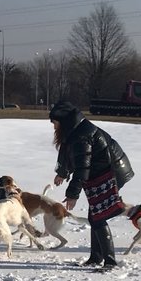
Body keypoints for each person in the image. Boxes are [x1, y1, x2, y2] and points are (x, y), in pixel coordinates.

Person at [49, 101, 134, 270]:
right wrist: (63, 173)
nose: (54, 128)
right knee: (95, 216)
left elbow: (83, 167)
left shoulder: (82, 136)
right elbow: (73, 157)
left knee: (98, 217)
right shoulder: (76, 132)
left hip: (112, 173)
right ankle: (96, 257)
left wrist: (73, 194)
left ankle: (109, 261)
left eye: (55, 123)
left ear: (64, 122)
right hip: (102, 172)